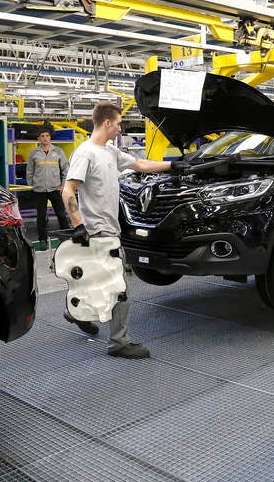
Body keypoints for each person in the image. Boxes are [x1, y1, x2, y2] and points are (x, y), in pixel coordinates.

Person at [61, 102, 188, 359]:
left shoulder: (109, 151)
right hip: (98, 233)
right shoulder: (85, 153)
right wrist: (78, 225)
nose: (120, 128)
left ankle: (75, 312)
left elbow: (139, 165)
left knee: (95, 280)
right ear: (107, 123)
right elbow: (68, 190)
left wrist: (172, 166)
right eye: (118, 123)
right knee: (120, 290)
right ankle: (119, 341)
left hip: (110, 229)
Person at [26, 126, 71, 250]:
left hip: (55, 189)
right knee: (41, 217)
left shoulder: (58, 152)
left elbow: (65, 169)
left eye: (47, 136)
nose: (45, 138)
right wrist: (32, 185)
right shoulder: (34, 153)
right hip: (39, 190)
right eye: (42, 136)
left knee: (61, 214)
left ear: (50, 137)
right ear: (38, 139)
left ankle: (66, 238)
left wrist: (63, 184)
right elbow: (29, 171)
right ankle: (43, 240)